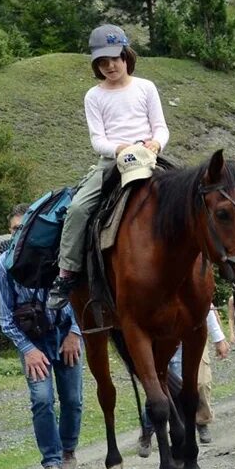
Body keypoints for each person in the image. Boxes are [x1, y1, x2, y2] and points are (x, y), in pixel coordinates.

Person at [47, 24, 169, 311]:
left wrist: (156, 144)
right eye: (103, 62)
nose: (110, 66)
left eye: (114, 58)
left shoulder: (146, 87)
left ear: (126, 56)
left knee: (190, 197)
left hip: (149, 158)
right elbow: (97, 139)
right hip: (112, 161)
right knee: (78, 208)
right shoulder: (94, 96)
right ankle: (67, 273)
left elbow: (161, 127)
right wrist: (118, 149)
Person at [0, 204, 83, 469]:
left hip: (65, 333)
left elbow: (82, 298)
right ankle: (51, 462)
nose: (19, 233)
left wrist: (75, 334)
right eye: (13, 229)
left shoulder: (59, 255)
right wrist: (28, 350)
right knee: (42, 399)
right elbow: (6, 317)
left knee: (72, 399)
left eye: (23, 227)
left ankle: (68, 450)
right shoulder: (4, 265)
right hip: (33, 341)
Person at [138, 306, 229, 456]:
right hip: (157, 343)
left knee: (179, 390)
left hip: (179, 343)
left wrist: (218, 337)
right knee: (157, 390)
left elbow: (205, 305)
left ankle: (182, 437)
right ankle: (147, 429)